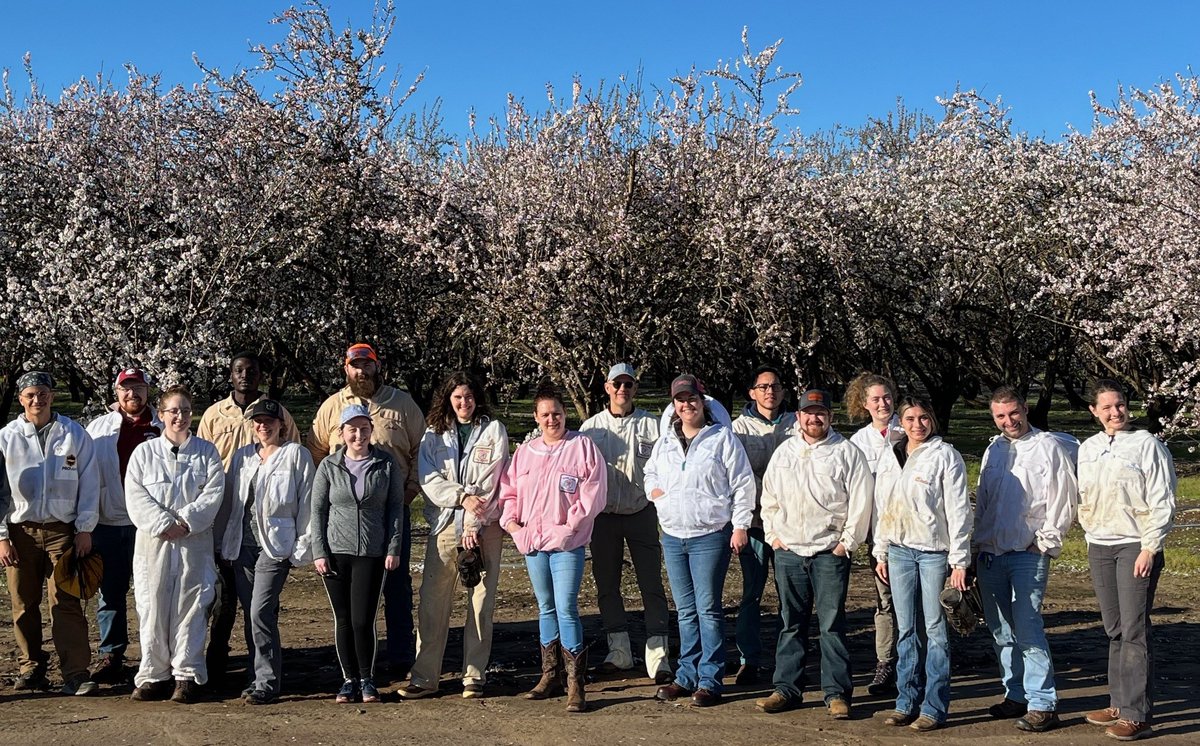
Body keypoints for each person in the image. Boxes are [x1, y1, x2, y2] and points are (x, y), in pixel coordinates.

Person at [308, 343, 424, 679]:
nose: (362, 371)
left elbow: (421, 448)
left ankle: (402, 656)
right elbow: (316, 451)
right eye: (355, 365)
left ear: (377, 366)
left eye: (367, 365)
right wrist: (330, 488)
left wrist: (408, 492)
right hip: (344, 520)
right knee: (351, 600)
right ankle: (356, 664)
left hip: (390, 514)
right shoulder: (332, 407)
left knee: (397, 586)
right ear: (346, 368)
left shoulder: (402, 404)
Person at [754, 389, 873, 718]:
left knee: (831, 624)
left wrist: (846, 544)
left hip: (828, 552)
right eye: (808, 412)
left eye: (820, 412)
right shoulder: (785, 452)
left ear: (830, 416)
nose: (814, 418)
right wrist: (774, 536)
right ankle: (786, 689)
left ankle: (836, 693)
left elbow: (861, 503)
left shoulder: (847, 453)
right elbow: (770, 498)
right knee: (791, 623)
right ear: (799, 416)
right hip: (790, 550)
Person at [646, 374, 754, 708]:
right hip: (674, 535)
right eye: (680, 400)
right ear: (674, 405)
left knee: (708, 609)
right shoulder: (666, 441)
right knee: (685, 610)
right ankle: (686, 674)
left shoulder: (721, 438)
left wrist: (741, 526)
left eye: (692, 399)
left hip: (709, 533)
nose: (687, 405)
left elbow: (742, 483)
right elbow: (650, 472)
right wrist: (656, 495)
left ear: (702, 402)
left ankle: (710, 678)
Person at [400, 371, 509, 700]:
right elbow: (428, 478)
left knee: (480, 603)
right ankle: (425, 676)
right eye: (458, 397)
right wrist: (461, 498)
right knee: (433, 602)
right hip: (445, 524)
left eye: (470, 396)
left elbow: (494, 477)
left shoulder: (493, 430)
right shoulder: (434, 433)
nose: (465, 403)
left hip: (485, 526)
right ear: (448, 398)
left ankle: (474, 675)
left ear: (478, 397)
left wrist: (475, 521)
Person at [975, 386, 1077, 732]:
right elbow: (985, 501)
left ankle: (1042, 702)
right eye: (1001, 416)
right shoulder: (994, 449)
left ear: (1025, 409)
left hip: (1027, 553)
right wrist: (977, 546)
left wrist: (1044, 543)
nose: (1009, 421)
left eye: (1013, 413)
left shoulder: (1047, 446)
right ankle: (1014, 693)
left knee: (1028, 626)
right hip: (991, 552)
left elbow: (1063, 499)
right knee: (1001, 631)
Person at [1077, 380, 1175, 741]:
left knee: (1134, 629)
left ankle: (1137, 713)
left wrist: (1150, 547)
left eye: (1119, 405)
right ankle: (1118, 702)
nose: (1115, 412)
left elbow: (1163, 498)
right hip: (1099, 545)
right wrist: (1089, 534)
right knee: (1114, 627)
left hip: (1135, 545)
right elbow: (1084, 495)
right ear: (1094, 411)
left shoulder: (1146, 444)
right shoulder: (1088, 448)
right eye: (1106, 407)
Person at [499, 385, 607, 713]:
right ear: (536, 417)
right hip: (533, 545)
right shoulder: (525, 453)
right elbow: (510, 493)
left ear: (565, 414)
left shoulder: (582, 447)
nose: (551, 419)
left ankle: (576, 683)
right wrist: (515, 527)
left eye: (556, 413)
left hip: (567, 544)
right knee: (545, 607)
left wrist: (568, 528)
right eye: (545, 414)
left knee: (566, 607)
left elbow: (592, 493)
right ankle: (549, 675)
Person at [198, 351, 301, 681]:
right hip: (226, 520)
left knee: (259, 607)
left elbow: (297, 472)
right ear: (231, 374)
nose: (245, 376)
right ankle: (217, 661)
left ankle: (265, 674)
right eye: (239, 370)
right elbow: (201, 461)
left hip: (270, 528)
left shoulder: (279, 415)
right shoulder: (215, 415)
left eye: (252, 371)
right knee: (223, 601)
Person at [873, 395, 972, 732]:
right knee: (905, 629)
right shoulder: (892, 454)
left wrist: (959, 560)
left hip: (933, 552)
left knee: (935, 630)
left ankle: (933, 706)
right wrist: (881, 549)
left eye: (924, 418)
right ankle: (905, 701)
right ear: (901, 422)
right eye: (910, 418)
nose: (918, 425)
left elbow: (959, 511)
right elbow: (882, 504)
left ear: (932, 419)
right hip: (899, 551)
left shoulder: (945, 456)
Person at [0, 371, 100, 695]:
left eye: (42, 393)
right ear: (20, 399)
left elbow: (90, 483)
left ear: (52, 396)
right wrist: (1, 536)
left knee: (66, 601)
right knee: (23, 603)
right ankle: (31, 668)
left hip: (62, 530)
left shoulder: (73, 434)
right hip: (20, 532)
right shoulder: (7, 437)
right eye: (30, 394)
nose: (37, 400)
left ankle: (76, 672)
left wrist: (84, 529)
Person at [125, 386, 225, 704]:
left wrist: (185, 521)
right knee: (152, 605)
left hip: (193, 542)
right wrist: (162, 523)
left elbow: (213, 493)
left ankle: (187, 674)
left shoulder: (207, 453)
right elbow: (135, 494)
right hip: (153, 544)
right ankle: (154, 675)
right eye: (173, 411)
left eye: (184, 410)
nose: (179, 417)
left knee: (192, 606)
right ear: (162, 414)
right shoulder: (144, 454)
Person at [579, 363, 670, 682]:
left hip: (642, 512)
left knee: (651, 584)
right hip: (603, 517)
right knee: (607, 585)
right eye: (617, 384)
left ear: (635, 388)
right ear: (606, 388)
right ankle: (618, 650)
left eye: (628, 384)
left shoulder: (652, 425)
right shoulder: (591, 428)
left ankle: (658, 652)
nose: (622, 390)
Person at [220, 398, 316, 705]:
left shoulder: (295, 455)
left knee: (260, 610)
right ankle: (256, 675)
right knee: (253, 615)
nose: (264, 426)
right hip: (242, 545)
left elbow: (308, 503)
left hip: (275, 546)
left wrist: (303, 545)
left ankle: (267, 681)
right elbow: (231, 504)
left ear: (281, 425)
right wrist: (220, 542)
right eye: (258, 421)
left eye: (269, 421)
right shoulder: (243, 457)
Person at [311, 404, 406, 705]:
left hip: (371, 551)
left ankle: (367, 679)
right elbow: (317, 510)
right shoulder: (329, 466)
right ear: (341, 433)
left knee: (363, 619)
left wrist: (393, 547)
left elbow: (395, 509)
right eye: (352, 429)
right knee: (343, 619)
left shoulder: (385, 464)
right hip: (336, 551)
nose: (358, 435)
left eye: (364, 428)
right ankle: (348, 679)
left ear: (371, 430)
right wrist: (319, 551)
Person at [85, 368, 162, 686]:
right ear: (116, 393)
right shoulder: (98, 428)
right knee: (111, 592)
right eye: (126, 389)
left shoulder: (163, 425)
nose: (133, 394)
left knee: (154, 593)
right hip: (109, 521)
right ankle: (112, 654)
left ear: (147, 392)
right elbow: (86, 478)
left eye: (139, 388)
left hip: (150, 524)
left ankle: (155, 654)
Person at [729, 365, 796, 684]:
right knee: (751, 593)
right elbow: (736, 474)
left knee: (790, 595)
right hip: (754, 522)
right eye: (764, 387)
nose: (771, 392)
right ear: (752, 393)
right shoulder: (738, 429)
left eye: (776, 386)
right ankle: (749, 658)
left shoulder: (798, 424)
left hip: (789, 524)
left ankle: (790, 660)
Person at [845, 371, 905, 695]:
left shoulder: (908, 427)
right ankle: (886, 663)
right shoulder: (859, 442)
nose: (883, 403)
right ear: (864, 403)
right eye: (875, 399)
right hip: (878, 535)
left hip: (912, 532)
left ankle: (917, 662)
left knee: (915, 601)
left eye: (886, 397)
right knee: (885, 601)